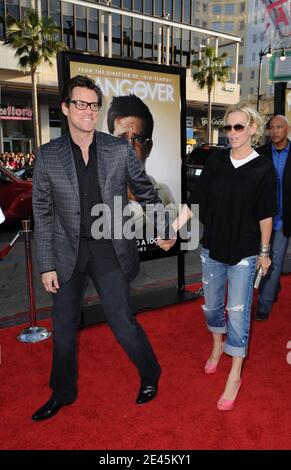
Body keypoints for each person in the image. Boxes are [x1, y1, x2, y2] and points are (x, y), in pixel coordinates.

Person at [32, 75, 163, 421]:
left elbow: (146, 192)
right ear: (65, 108)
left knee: (122, 324)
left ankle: (150, 372)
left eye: (93, 104)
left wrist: (164, 227)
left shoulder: (118, 149)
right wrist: (45, 264)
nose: (88, 111)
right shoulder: (47, 156)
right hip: (65, 254)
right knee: (62, 330)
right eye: (80, 103)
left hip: (109, 249)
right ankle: (62, 392)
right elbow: (42, 214)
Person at [157, 103, 276, 411]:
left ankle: (235, 374)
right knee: (211, 308)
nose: (232, 133)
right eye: (228, 127)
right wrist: (172, 230)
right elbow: (193, 201)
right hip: (212, 249)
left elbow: (265, 216)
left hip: (245, 254)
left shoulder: (263, 168)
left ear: (252, 129)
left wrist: (265, 252)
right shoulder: (216, 161)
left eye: (239, 127)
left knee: (238, 313)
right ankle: (216, 345)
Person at [107, 94, 177, 237]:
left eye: (138, 139)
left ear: (149, 147)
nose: (129, 147)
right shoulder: (96, 191)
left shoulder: (164, 193)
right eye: (122, 138)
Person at [255, 115, 291, 320]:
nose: (275, 131)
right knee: (262, 261)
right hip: (262, 217)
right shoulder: (260, 154)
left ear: (287, 129)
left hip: (284, 218)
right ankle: (273, 286)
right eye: (272, 128)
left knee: (275, 261)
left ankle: (264, 305)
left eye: (279, 127)